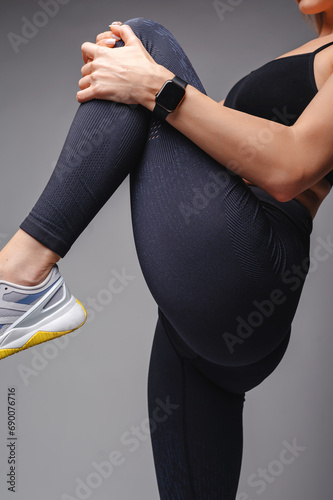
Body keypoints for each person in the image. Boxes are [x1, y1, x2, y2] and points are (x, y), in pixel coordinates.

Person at [1, 0, 333, 497]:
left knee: (143, 38)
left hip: (252, 266)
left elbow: (289, 168)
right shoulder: (309, 49)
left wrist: (154, 85)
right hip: (206, 326)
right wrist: (141, 86)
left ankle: (19, 276)